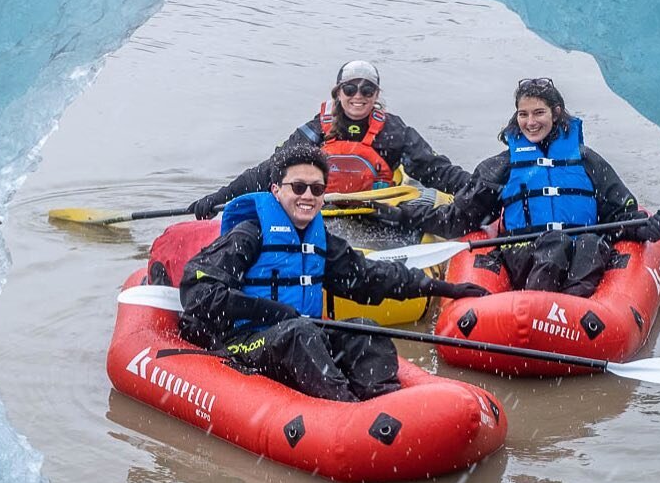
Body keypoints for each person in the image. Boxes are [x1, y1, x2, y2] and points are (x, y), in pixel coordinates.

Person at [179, 144, 488, 402]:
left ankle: (387, 402)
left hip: (301, 333)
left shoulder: (321, 241)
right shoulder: (249, 234)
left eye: (316, 189)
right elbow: (198, 291)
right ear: (276, 190)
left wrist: (443, 288)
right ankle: (344, 409)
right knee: (298, 334)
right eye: (298, 187)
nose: (307, 196)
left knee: (364, 329)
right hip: (244, 342)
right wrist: (276, 312)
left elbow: (369, 277)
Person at [377, 77, 660, 298]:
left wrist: (643, 228)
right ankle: (537, 307)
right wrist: (399, 215)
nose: (531, 122)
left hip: (582, 255)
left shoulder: (588, 161)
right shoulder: (503, 166)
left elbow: (620, 214)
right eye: (523, 114)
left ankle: (571, 310)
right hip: (524, 252)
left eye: (538, 113)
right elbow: (460, 218)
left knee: (589, 243)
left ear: (556, 112)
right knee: (556, 243)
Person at [189, 61, 472, 216]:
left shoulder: (392, 131)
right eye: (350, 89)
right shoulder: (317, 130)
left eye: (367, 90)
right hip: (321, 212)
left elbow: (435, 170)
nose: (358, 96)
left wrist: (479, 191)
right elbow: (271, 170)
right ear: (338, 93)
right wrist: (219, 198)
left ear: (376, 96)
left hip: (377, 212)